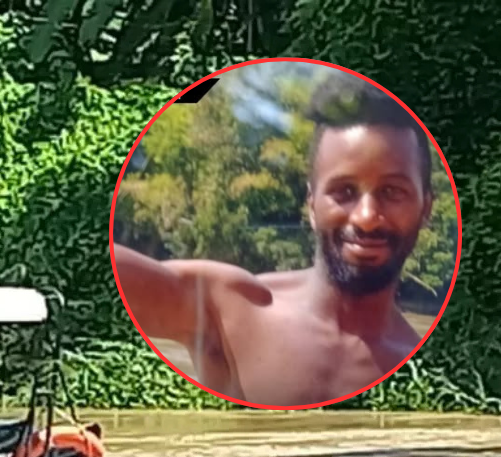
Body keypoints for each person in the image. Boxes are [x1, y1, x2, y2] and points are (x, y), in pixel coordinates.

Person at [113, 73, 436, 406]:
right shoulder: (230, 308)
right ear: (311, 206)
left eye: (392, 192)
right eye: (344, 192)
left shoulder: (426, 368)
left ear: (425, 208)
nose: (366, 217)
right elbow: (114, 268)